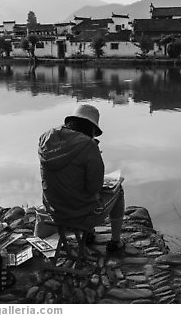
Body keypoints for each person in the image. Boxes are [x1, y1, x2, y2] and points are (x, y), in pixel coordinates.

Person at [38, 104, 126, 253]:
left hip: (53, 210)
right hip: (79, 215)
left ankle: (89, 234)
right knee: (118, 191)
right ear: (91, 128)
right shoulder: (88, 145)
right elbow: (94, 187)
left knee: (72, 184)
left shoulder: (46, 138)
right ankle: (115, 242)